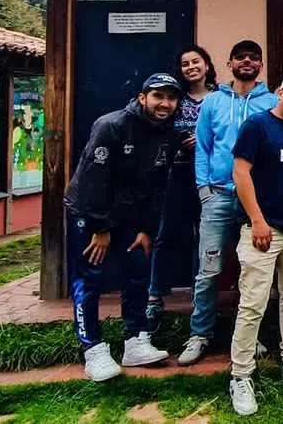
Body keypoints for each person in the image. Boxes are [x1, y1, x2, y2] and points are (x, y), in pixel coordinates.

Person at [65, 73, 181, 382]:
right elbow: (93, 181)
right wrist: (100, 229)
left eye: (171, 98)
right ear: (143, 98)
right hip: (90, 214)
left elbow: (158, 187)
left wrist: (146, 228)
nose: (165, 104)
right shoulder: (111, 126)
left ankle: (136, 341)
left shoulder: (169, 134)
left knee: (137, 272)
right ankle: (93, 350)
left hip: (132, 216)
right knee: (88, 279)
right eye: (158, 96)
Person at [178, 40, 277, 366]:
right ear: (230, 62)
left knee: (255, 270)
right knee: (209, 269)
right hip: (219, 195)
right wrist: (203, 188)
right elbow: (203, 147)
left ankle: (252, 336)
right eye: (241, 57)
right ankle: (200, 334)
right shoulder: (213, 102)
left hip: (257, 201)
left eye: (253, 58)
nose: (247, 62)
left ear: (260, 65)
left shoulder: (272, 102)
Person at [228, 72, 283, 416]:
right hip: (263, 231)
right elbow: (240, 172)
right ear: (280, 91)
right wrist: (258, 221)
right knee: (253, 304)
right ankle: (240, 375)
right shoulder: (257, 126)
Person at [146, 45, 217, 330]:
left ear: (207, 65)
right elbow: (158, 129)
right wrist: (180, 142)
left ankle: (198, 298)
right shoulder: (173, 97)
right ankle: (154, 297)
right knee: (165, 235)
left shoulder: (220, 98)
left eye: (196, 61)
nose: (191, 67)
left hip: (209, 177)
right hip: (176, 173)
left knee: (203, 239)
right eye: (185, 63)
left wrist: (202, 143)